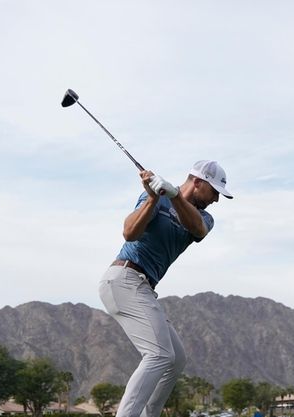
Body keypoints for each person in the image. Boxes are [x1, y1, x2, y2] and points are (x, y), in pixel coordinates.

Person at [98, 160, 233, 417]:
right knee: (159, 355)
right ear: (198, 182)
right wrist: (152, 198)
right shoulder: (155, 199)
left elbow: (197, 229)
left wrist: (173, 195)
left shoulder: (204, 217)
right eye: (214, 192)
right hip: (124, 278)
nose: (216, 199)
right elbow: (129, 233)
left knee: (175, 359)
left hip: (143, 287)